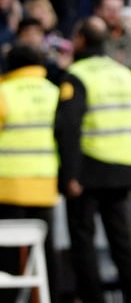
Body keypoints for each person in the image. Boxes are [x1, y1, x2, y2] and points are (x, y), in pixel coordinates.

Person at [54, 16, 131, 303]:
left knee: (83, 240)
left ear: (80, 40)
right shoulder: (124, 73)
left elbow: (68, 128)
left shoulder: (77, 75)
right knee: (121, 241)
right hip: (124, 166)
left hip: (90, 168)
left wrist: (69, 175)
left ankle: (92, 298)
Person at [0, 44, 61, 303]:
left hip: (8, 185)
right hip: (45, 184)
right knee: (46, 254)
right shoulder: (54, 92)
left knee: (8, 256)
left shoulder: (3, 92)